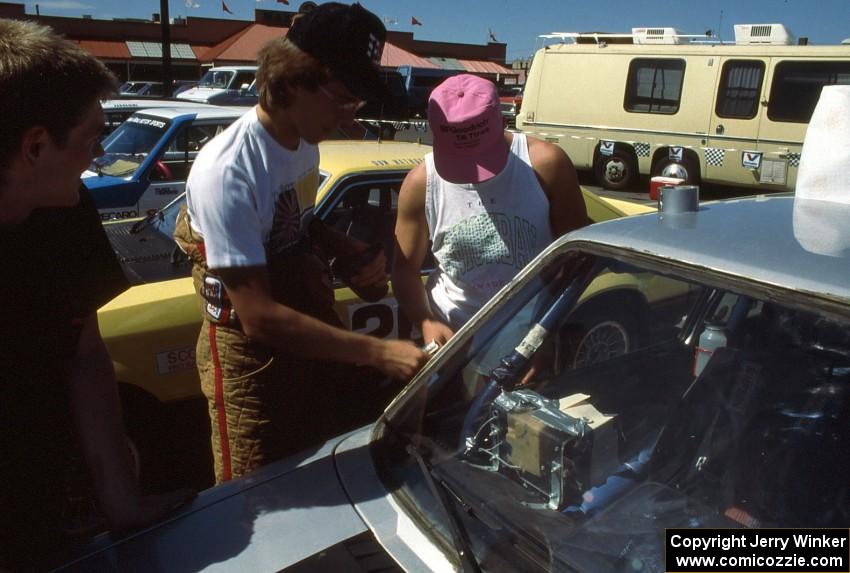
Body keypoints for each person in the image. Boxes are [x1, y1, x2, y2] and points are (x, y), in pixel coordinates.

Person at [173, 2, 428, 485]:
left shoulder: (303, 141)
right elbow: (258, 317)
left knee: (312, 460)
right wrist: (378, 353)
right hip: (249, 356)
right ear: (290, 82)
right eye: (341, 97)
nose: (351, 114)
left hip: (302, 329)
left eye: (358, 100)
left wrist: (342, 250)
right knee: (253, 487)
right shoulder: (229, 169)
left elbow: (295, 221)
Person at [0, 19, 194, 571]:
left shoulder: (66, 210)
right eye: (91, 136)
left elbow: (84, 352)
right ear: (35, 146)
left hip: (36, 513)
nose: (97, 153)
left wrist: (122, 504)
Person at [393, 74, 590, 347]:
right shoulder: (421, 183)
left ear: (503, 120)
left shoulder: (545, 164)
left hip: (530, 337)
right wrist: (426, 321)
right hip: (455, 345)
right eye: (460, 158)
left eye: (480, 155)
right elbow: (404, 270)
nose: (474, 172)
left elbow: (577, 259)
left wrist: (546, 331)